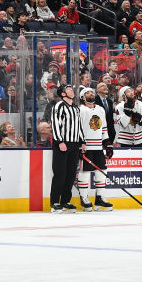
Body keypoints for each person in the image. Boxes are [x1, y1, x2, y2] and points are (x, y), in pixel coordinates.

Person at [75, 87, 113, 212]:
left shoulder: (100, 109)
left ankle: (100, 198)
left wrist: (107, 143)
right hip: (86, 146)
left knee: (102, 171)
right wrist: (80, 144)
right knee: (84, 172)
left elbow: (104, 127)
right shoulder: (80, 109)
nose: (91, 94)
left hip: (98, 147)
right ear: (82, 97)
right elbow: (77, 128)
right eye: (87, 93)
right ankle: (84, 198)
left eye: (92, 92)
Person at [49, 84, 82, 213]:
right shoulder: (59, 106)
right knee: (60, 174)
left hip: (74, 144)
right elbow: (56, 124)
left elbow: (78, 126)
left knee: (71, 174)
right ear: (63, 94)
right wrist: (59, 141)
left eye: (72, 89)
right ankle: (55, 202)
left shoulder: (75, 108)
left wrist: (82, 141)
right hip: (62, 144)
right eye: (68, 89)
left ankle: (66, 201)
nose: (71, 91)